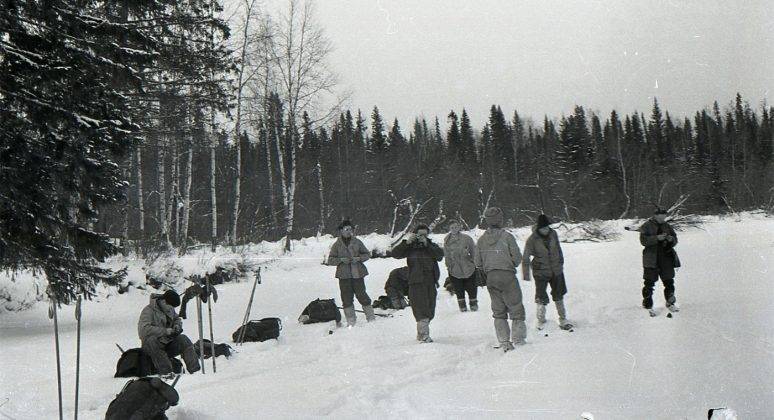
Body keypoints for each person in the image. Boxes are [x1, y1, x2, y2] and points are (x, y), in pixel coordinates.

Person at [475, 207, 525, 352]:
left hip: (491, 277)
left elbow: (478, 262)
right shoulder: (507, 236)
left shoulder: (482, 240)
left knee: (498, 311)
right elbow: (517, 258)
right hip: (507, 275)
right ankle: (519, 340)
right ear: (500, 220)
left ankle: (504, 341)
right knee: (516, 307)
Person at [391, 224, 445, 343]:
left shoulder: (430, 245)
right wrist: (406, 242)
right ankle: (424, 335)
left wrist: (427, 244)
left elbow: (440, 255)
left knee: (430, 308)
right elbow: (395, 254)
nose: (422, 236)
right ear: (415, 234)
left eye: (424, 234)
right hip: (416, 281)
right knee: (421, 308)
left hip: (430, 281)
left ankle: (421, 333)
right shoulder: (410, 246)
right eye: (419, 234)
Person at [522, 214, 572, 330]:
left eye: (547, 227)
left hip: (556, 269)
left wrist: (560, 263)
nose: (545, 230)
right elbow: (525, 257)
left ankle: (563, 318)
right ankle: (540, 319)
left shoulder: (553, 234)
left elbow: (558, 249)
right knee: (541, 296)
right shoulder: (532, 239)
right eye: (543, 228)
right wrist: (526, 275)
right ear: (538, 228)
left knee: (558, 294)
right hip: (541, 272)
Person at [138, 290, 200, 377]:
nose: (172, 309)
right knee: (152, 341)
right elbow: (143, 330)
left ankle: (195, 371)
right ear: (164, 301)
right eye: (171, 306)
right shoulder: (148, 311)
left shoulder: (169, 308)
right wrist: (165, 331)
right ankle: (167, 374)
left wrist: (177, 326)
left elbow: (177, 319)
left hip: (167, 343)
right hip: (151, 347)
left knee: (183, 339)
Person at [326, 219, 375, 326]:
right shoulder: (336, 245)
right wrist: (340, 260)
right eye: (346, 229)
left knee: (362, 295)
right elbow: (330, 260)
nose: (349, 231)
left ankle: (371, 318)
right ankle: (351, 321)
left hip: (358, 274)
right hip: (344, 276)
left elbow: (367, 254)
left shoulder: (357, 242)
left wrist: (358, 258)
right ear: (341, 231)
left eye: (350, 229)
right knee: (346, 298)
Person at [639, 208, 680, 314]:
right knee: (649, 282)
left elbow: (675, 240)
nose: (663, 218)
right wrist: (657, 238)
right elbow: (643, 241)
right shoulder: (646, 226)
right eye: (660, 216)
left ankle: (670, 302)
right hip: (651, 258)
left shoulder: (667, 226)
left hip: (666, 257)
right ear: (655, 216)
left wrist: (671, 240)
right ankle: (647, 304)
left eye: (664, 216)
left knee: (669, 281)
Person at [443, 219, 478, 312]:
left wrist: (474, 263)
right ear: (449, 228)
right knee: (459, 289)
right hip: (455, 270)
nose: (454, 229)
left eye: (456, 226)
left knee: (472, 288)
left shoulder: (467, 238)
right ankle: (462, 307)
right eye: (452, 227)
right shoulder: (447, 240)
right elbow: (446, 255)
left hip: (468, 268)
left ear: (459, 227)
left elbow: (474, 252)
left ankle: (474, 305)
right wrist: (449, 266)